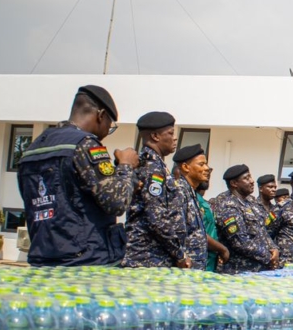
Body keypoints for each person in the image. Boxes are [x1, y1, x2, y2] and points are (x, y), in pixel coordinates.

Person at [17, 85, 139, 266]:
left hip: (41, 258)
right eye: (110, 125)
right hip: (86, 261)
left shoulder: (32, 148)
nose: (107, 131)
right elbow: (116, 202)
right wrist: (126, 166)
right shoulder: (87, 145)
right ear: (101, 115)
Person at [121, 111, 201, 269]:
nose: (175, 138)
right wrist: (179, 253)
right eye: (170, 133)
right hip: (147, 258)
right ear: (155, 136)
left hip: (158, 255)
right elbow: (156, 216)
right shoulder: (151, 167)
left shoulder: (158, 166)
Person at [211, 164, 280, 273]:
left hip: (259, 268)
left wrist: (274, 248)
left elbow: (262, 231)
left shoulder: (250, 202)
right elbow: (240, 242)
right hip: (239, 270)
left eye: (250, 177)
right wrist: (268, 257)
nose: (252, 181)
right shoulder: (228, 204)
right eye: (246, 178)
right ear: (234, 183)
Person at [169, 144, 216, 271]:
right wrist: (181, 257)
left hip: (196, 265)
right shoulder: (179, 191)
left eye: (206, 164)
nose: (206, 168)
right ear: (185, 167)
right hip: (184, 266)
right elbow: (173, 231)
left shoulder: (190, 192)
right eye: (201, 165)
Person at [193, 176, 229, 273]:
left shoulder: (205, 202)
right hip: (197, 260)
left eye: (209, 175)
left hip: (210, 260)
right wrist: (222, 249)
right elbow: (197, 232)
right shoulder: (193, 200)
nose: (206, 177)